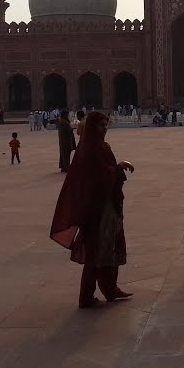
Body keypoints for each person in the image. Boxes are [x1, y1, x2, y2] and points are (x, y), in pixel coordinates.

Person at [49, 111, 134, 308]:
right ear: (92, 128)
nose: (105, 128)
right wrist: (119, 167)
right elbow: (98, 177)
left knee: (108, 248)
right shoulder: (90, 150)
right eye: (101, 125)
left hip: (105, 205)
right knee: (96, 252)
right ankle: (87, 296)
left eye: (106, 124)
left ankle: (109, 289)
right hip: (97, 209)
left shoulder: (97, 147)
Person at [57, 109, 77, 173]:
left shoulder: (62, 121)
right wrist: (73, 127)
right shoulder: (64, 122)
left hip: (63, 140)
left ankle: (63, 167)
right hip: (66, 141)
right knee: (66, 154)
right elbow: (69, 130)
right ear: (65, 115)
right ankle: (66, 167)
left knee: (63, 154)